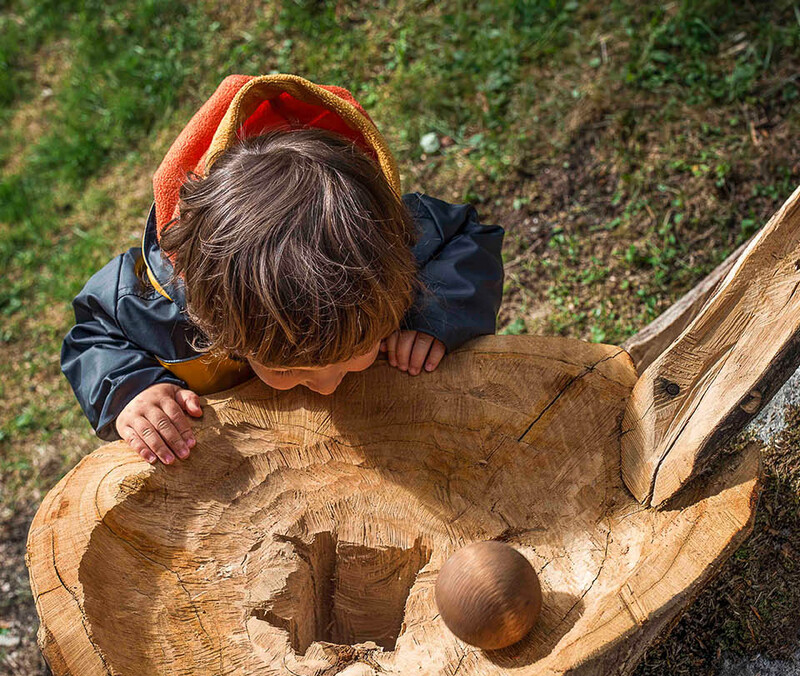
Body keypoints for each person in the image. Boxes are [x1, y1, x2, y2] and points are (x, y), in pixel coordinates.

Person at [61, 73, 505, 466]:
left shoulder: (383, 238)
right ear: (213, 321)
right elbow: (95, 331)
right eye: (292, 370)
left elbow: (468, 236)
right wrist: (130, 390)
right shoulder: (153, 298)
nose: (327, 388)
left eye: (354, 351)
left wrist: (431, 321)